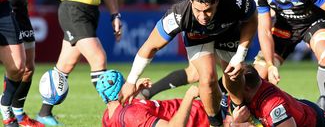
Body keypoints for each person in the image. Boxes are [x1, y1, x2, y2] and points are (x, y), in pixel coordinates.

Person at [119, 0, 257, 127]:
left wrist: (240, 56)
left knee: (233, 75)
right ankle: (216, 124)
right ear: (191, 2)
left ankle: (240, 114)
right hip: (197, 36)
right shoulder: (178, 14)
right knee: (207, 78)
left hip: (227, 31)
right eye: (198, 11)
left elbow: (252, 21)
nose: (203, 17)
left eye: (208, 10)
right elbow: (150, 47)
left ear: (216, 1)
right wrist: (131, 81)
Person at [97, 70, 258, 127]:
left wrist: (137, 90)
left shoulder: (108, 115)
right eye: (125, 83)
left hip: (203, 108)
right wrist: (189, 95)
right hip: (210, 116)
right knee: (247, 79)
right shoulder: (133, 114)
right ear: (120, 91)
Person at [230, 65, 325, 127]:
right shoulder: (249, 88)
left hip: (310, 120)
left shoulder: (273, 106)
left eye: (233, 88)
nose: (230, 91)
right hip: (295, 107)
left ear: (247, 88)